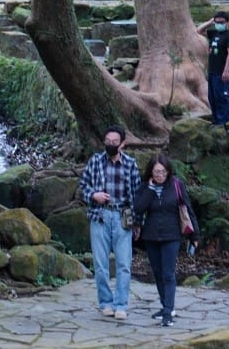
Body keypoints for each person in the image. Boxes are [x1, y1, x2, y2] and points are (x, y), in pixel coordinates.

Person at [79, 125, 141, 320]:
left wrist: (137, 222)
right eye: (108, 142)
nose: (111, 145)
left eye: (114, 142)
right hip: (100, 215)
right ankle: (106, 302)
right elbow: (82, 186)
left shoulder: (130, 164)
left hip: (123, 215)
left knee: (123, 263)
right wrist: (94, 195)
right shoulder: (95, 161)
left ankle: (121, 304)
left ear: (122, 143)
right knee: (100, 263)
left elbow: (137, 195)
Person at [133, 153, 199, 327]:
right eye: (156, 172)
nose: (160, 175)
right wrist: (150, 190)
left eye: (163, 172)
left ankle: (168, 311)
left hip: (172, 235)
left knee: (168, 273)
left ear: (168, 171)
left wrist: (195, 235)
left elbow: (188, 209)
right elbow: (138, 208)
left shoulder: (176, 185)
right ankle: (165, 306)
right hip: (151, 235)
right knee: (157, 273)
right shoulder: (145, 187)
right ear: (151, 173)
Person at [197, 11, 229, 126]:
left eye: (221, 22)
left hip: (222, 73)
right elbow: (199, 31)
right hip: (212, 72)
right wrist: (210, 22)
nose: (219, 24)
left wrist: (226, 71)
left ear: (227, 23)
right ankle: (215, 121)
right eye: (217, 22)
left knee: (222, 97)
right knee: (212, 98)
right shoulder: (215, 33)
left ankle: (224, 123)